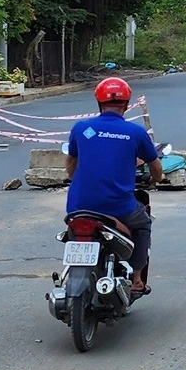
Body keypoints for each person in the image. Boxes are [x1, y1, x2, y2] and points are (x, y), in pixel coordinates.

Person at [65, 76, 162, 294]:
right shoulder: (136, 133)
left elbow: (71, 162)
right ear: (127, 105)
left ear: (99, 103)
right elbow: (156, 167)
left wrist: (74, 179)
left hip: (78, 205)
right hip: (120, 208)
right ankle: (137, 279)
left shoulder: (81, 128)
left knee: (72, 229)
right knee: (143, 224)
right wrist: (157, 180)